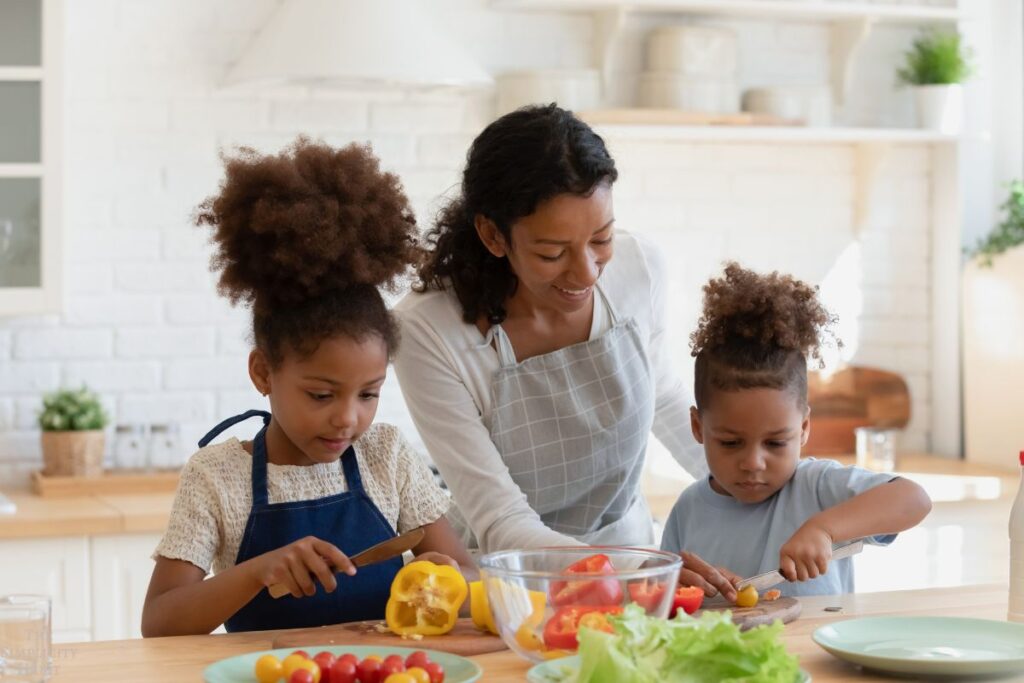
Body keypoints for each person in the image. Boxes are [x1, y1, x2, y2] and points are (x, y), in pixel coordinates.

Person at [393, 104, 736, 596]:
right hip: (511, 588)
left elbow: (660, 393)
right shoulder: (428, 330)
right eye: (552, 253)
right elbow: (500, 516)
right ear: (493, 235)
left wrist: (761, 482)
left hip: (631, 557)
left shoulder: (640, 268)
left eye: (601, 238)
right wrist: (633, 571)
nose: (586, 273)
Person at [142, 139, 472, 636]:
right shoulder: (217, 478)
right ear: (262, 373)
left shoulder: (388, 459)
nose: (347, 418)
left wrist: (443, 583)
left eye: (368, 394)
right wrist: (257, 571)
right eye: (321, 395)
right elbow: (160, 622)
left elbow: (464, 576)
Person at [660, 263, 932, 597]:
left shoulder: (818, 488)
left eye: (775, 442)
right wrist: (680, 587)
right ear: (697, 427)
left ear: (803, 428)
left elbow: (914, 499)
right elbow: (665, 596)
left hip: (815, 649)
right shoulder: (687, 510)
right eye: (731, 442)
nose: (753, 462)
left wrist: (825, 529)